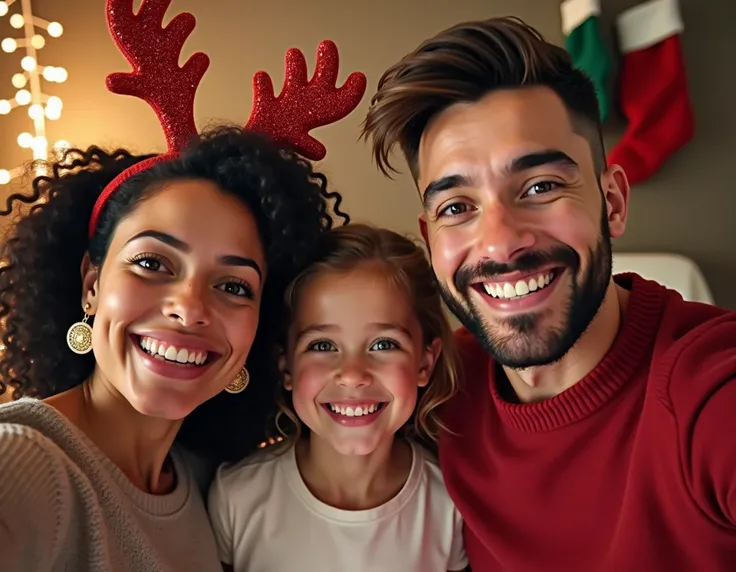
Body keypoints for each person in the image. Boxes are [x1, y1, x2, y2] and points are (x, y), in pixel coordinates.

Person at [361, 15, 736, 572]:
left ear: (612, 203)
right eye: (456, 208)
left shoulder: (709, 392)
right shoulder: (434, 387)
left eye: (540, 187)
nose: (501, 243)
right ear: (430, 239)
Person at [0, 127, 348, 571]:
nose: (189, 308)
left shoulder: (216, 485)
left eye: (233, 286)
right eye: (151, 263)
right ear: (92, 284)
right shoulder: (20, 463)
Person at [208, 224, 468, 572]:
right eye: (322, 346)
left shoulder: (450, 504)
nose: (353, 374)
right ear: (286, 364)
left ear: (425, 361)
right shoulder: (236, 498)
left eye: (384, 344)